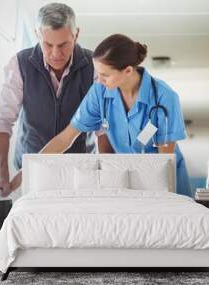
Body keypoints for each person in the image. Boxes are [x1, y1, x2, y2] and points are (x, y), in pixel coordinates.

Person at [10, 34, 192, 197]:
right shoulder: (100, 93)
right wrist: (24, 173)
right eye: (98, 73)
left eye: (105, 75)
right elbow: (65, 138)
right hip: (129, 183)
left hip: (167, 183)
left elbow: (164, 161)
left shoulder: (163, 97)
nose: (100, 80)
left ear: (128, 71)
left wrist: (155, 198)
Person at [0, 3, 97, 197]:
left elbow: (103, 127)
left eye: (63, 45)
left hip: (80, 173)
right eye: (48, 45)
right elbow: (2, 120)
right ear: (37, 35)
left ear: (76, 35)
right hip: (32, 173)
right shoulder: (20, 65)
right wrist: (3, 175)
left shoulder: (94, 66)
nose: (56, 54)